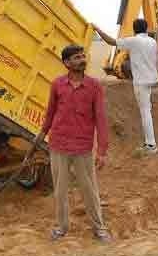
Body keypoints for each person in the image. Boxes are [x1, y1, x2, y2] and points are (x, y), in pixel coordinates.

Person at [35, 44, 111, 243]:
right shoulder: (57, 85)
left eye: (83, 56)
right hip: (58, 145)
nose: (82, 60)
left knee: (90, 190)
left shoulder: (94, 86)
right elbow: (50, 113)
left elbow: (101, 119)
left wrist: (102, 151)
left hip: (82, 147)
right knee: (60, 191)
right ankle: (61, 227)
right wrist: (41, 134)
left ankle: (99, 228)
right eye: (77, 57)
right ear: (67, 63)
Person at [93, 19, 158, 154]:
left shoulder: (134, 41)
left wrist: (98, 30)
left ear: (134, 30)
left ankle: (151, 145)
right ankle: (150, 143)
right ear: (146, 29)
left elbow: (112, 42)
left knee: (145, 112)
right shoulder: (152, 42)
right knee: (147, 109)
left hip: (141, 81)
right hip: (151, 79)